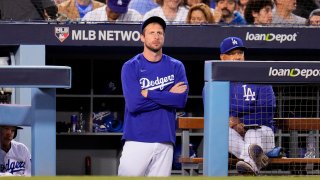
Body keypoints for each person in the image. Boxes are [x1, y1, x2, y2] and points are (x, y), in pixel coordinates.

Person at [118, 16, 188, 176]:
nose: (156, 36)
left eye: (160, 33)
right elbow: (135, 104)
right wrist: (168, 95)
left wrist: (150, 94)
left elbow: (181, 100)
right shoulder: (131, 66)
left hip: (165, 139)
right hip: (137, 139)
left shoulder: (176, 66)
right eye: (151, 33)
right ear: (142, 37)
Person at [219, 37, 276, 175]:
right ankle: (254, 162)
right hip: (236, 137)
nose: (237, 57)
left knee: (252, 132)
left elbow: (266, 112)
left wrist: (240, 122)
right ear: (222, 57)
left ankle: (249, 164)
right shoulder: (217, 83)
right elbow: (217, 116)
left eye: (240, 53)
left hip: (264, 134)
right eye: (232, 54)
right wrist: (231, 123)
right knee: (220, 133)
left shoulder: (259, 76)